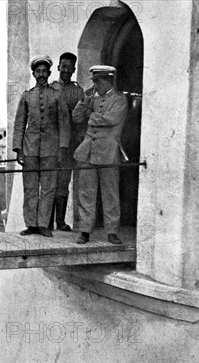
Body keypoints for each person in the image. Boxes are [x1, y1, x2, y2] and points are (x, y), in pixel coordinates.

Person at [12, 55, 71, 238]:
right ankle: (31, 224)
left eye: (44, 71)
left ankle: (44, 224)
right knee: (30, 187)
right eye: (38, 72)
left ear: (49, 73)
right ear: (33, 73)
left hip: (51, 149)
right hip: (30, 149)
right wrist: (19, 149)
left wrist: (62, 148)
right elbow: (19, 124)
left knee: (48, 187)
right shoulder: (26, 96)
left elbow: (64, 123)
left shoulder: (57, 95)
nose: (41, 75)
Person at [72, 65, 128, 245]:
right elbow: (76, 117)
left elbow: (110, 120)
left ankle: (112, 231)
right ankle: (85, 231)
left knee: (110, 193)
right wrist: (84, 101)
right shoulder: (92, 99)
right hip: (88, 151)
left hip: (108, 152)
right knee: (86, 193)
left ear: (108, 80)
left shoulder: (119, 100)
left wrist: (91, 114)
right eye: (94, 81)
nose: (95, 85)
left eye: (98, 81)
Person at [49, 52, 85, 231]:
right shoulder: (50, 88)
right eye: (63, 67)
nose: (66, 70)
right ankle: (46, 221)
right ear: (58, 67)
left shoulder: (78, 91)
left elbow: (81, 118)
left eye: (70, 68)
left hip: (69, 144)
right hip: (50, 144)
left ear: (74, 70)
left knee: (63, 183)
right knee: (48, 182)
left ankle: (60, 221)